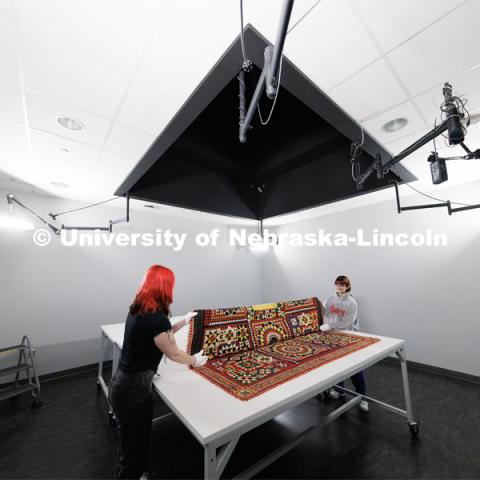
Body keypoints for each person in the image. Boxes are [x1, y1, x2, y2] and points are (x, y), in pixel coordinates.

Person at [108, 265, 208, 479]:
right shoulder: (156, 317)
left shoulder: (141, 309)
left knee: (132, 443)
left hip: (124, 386)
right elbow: (173, 353)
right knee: (133, 449)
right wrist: (195, 361)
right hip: (132, 393)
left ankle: (136, 474)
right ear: (165, 287)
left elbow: (161, 333)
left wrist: (184, 321)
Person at [319, 275, 369, 413]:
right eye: (337, 284)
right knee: (336, 365)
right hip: (333, 337)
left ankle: (363, 397)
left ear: (347, 286)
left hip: (349, 337)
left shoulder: (352, 303)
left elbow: (347, 322)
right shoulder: (329, 299)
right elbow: (323, 314)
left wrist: (329, 326)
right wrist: (325, 325)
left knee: (356, 368)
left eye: (342, 285)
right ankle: (338, 389)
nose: (339, 287)